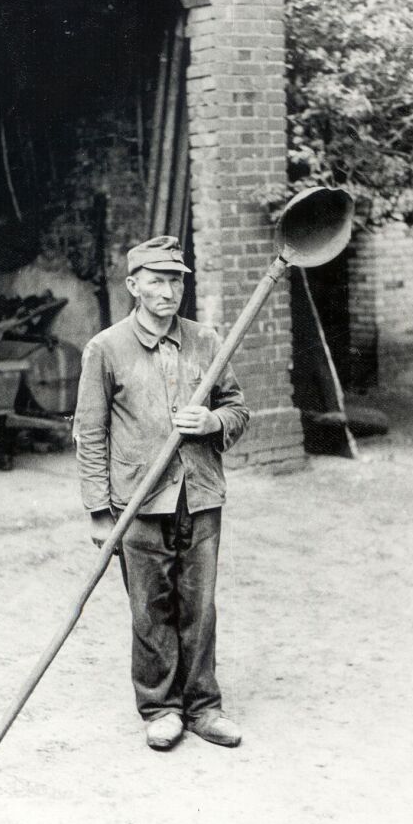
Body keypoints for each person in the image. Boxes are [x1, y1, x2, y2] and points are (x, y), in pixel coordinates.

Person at [73, 235, 251, 750]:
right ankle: (160, 708)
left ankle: (203, 708)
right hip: (138, 501)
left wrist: (212, 419)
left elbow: (238, 410)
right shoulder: (105, 349)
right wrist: (97, 511)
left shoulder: (208, 341)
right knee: (150, 609)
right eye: (157, 280)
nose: (169, 290)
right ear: (133, 286)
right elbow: (90, 433)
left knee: (200, 606)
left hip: (200, 495)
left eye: (176, 280)